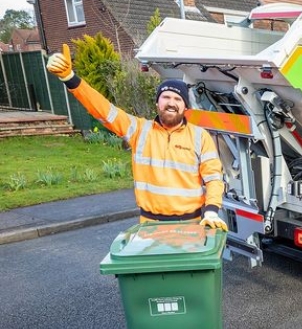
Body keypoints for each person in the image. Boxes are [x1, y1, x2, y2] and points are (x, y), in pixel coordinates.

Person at [46, 44, 227, 230]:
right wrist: (70, 78)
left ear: (185, 107)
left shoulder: (200, 136)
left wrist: (211, 210)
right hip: (150, 226)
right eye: (166, 98)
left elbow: (213, 178)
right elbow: (103, 109)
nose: (171, 103)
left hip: (191, 224)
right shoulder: (139, 130)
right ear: (157, 103)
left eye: (178, 99)